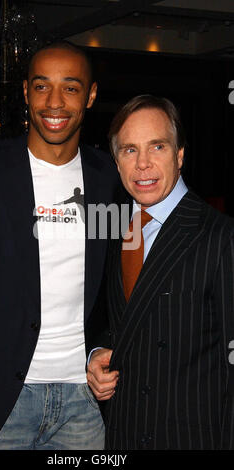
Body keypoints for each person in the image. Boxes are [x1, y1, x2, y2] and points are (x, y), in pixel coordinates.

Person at [0, 41, 124, 450]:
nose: (54, 102)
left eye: (71, 88)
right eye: (42, 86)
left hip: (85, 402)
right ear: (25, 91)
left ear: (91, 96)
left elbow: (118, 286)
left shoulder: (109, 178)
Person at [87, 94, 234, 450]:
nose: (143, 164)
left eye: (157, 147)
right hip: (124, 430)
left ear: (180, 155)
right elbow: (117, 318)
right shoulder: (114, 225)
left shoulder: (220, 236)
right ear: (117, 162)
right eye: (129, 150)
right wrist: (97, 353)